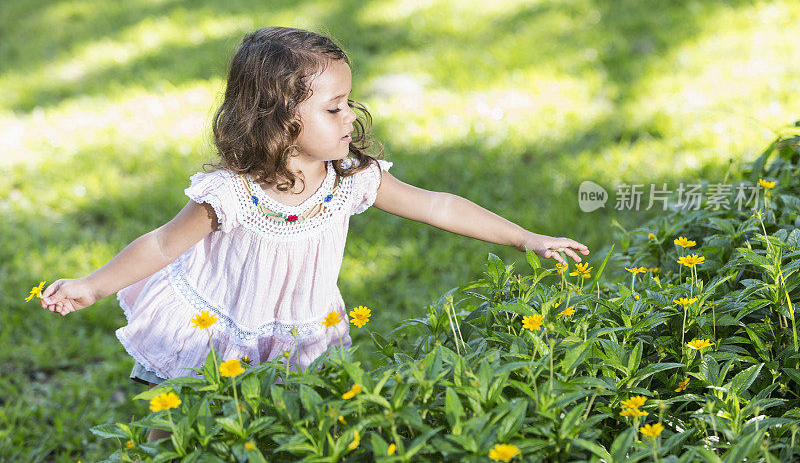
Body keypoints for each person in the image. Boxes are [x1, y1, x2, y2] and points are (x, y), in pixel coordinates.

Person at [40, 26, 589, 441]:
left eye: (348, 102)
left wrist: (527, 239)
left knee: (295, 429)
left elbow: (439, 205)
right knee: (179, 430)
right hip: (215, 330)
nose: (350, 117)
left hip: (300, 331)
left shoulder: (350, 179)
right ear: (277, 120)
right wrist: (93, 285)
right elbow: (161, 245)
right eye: (333, 108)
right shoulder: (233, 194)